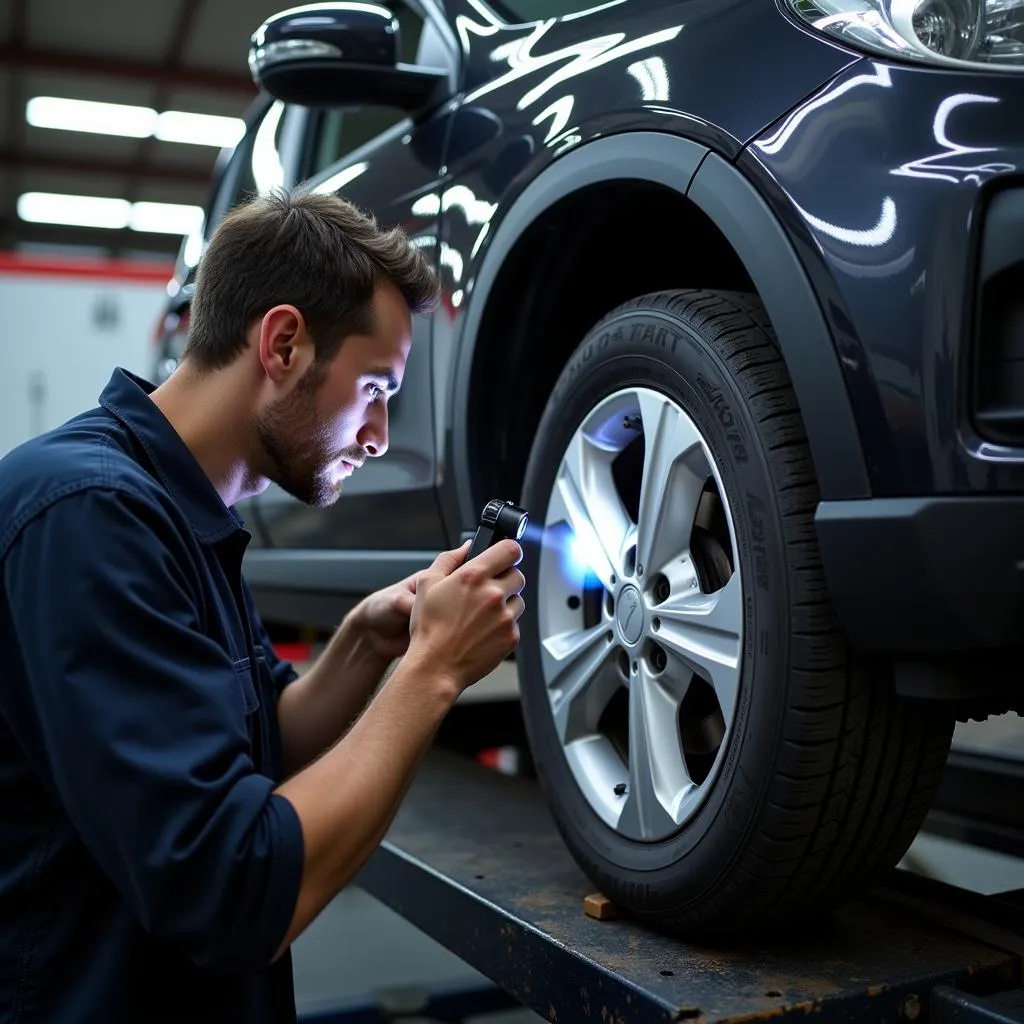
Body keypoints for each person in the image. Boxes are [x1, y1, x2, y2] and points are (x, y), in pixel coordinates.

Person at [0, 188, 526, 1024]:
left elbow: (253, 748)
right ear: (283, 343)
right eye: (375, 387)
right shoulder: (87, 515)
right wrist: (431, 673)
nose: (380, 433)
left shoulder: (180, 510)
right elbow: (235, 891)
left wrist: (365, 647)